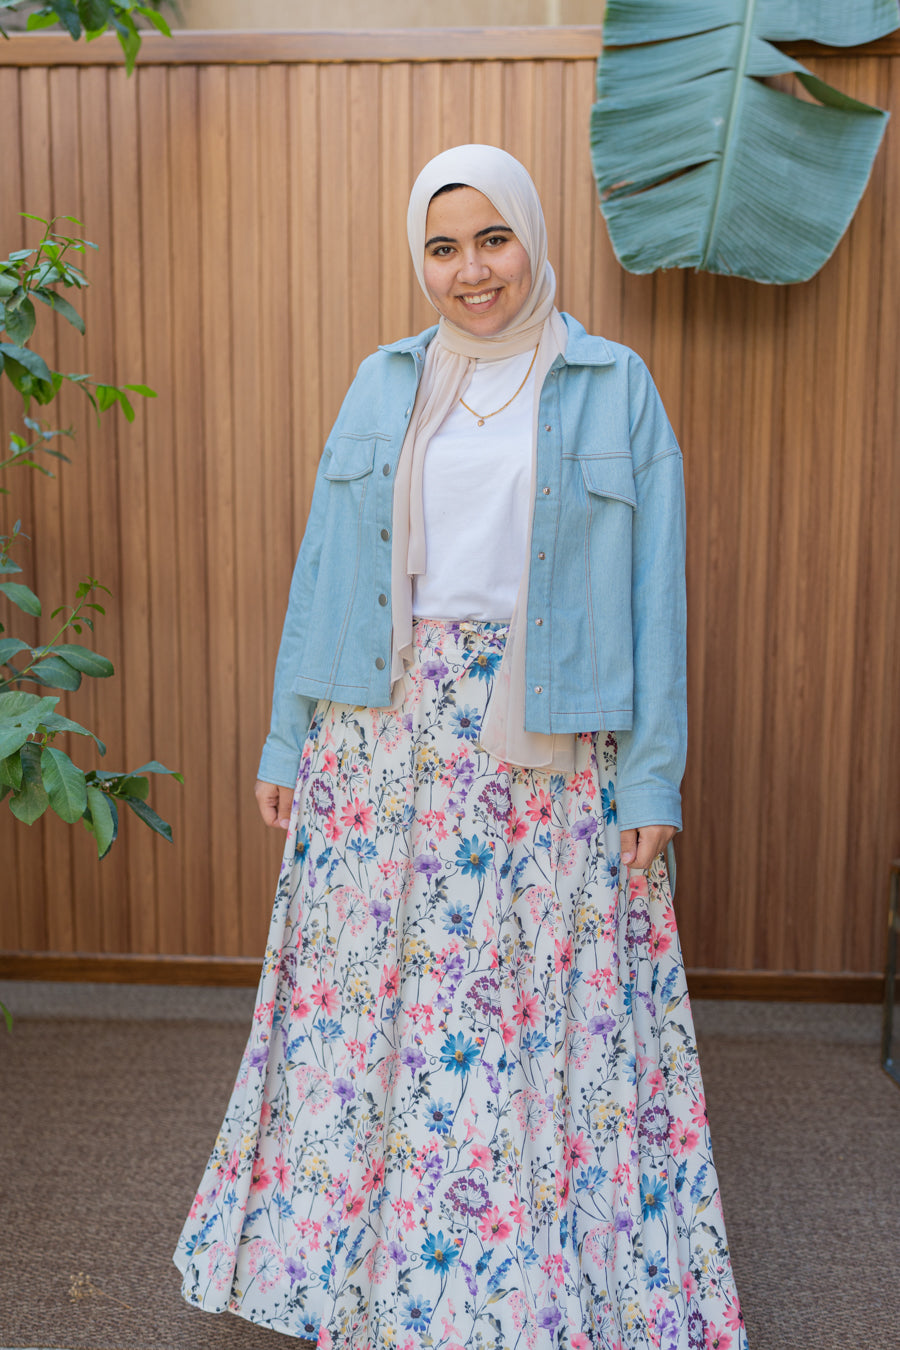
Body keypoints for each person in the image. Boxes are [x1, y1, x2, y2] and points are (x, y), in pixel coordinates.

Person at [175, 145, 748, 1350]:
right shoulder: (385, 385)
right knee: (378, 1008)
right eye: (443, 247)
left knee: (536, 1016)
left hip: (546, 736)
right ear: (419, 260)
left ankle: (530, 1290)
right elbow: (325, 567)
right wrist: (288, 737)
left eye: (492, 239)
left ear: (532, 238)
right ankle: (381, 1288)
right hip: (382, 735)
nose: (469, 269)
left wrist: (652, 774)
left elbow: (657, 592)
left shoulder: (613, 383)